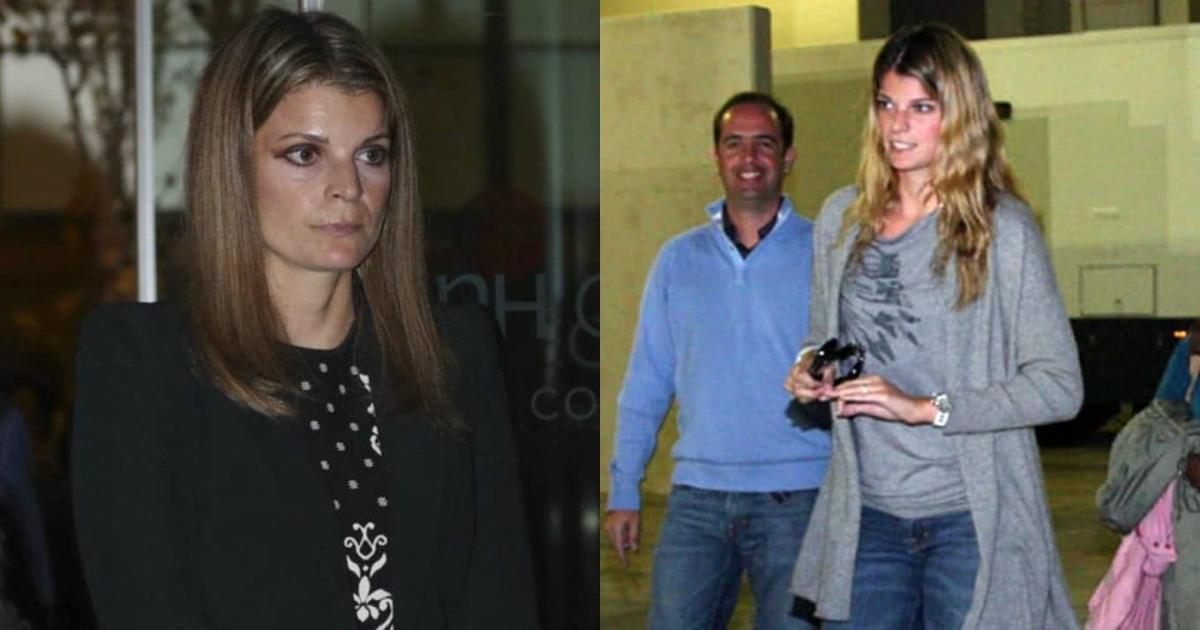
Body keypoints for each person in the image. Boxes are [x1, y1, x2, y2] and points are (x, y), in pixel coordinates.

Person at [71, 9, 536, 630]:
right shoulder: (144, 363)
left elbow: (500, 597)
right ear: (233, 165)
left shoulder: (456, 351)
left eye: (371, 154)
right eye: (304, 154)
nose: (348, 187)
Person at [783, 23, 1082, 629]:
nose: (897, 125)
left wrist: (926, 408)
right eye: (886, 104)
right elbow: (821, 338)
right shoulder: (842, 219)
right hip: (865, 516)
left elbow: (1059, 387)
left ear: (960, 116)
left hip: (967, 520)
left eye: (921, 108)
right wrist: (811, 369)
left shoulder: (1002, 231)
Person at [605, 92, 829, 629]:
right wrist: (624, 488)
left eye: (764, 144)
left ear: (789, 156)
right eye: (734, 144)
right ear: (716, 156)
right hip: (696, 503)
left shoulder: (827, 251)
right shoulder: (677, 260)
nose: (749, 158)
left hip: (799, 501)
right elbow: (646, 383)